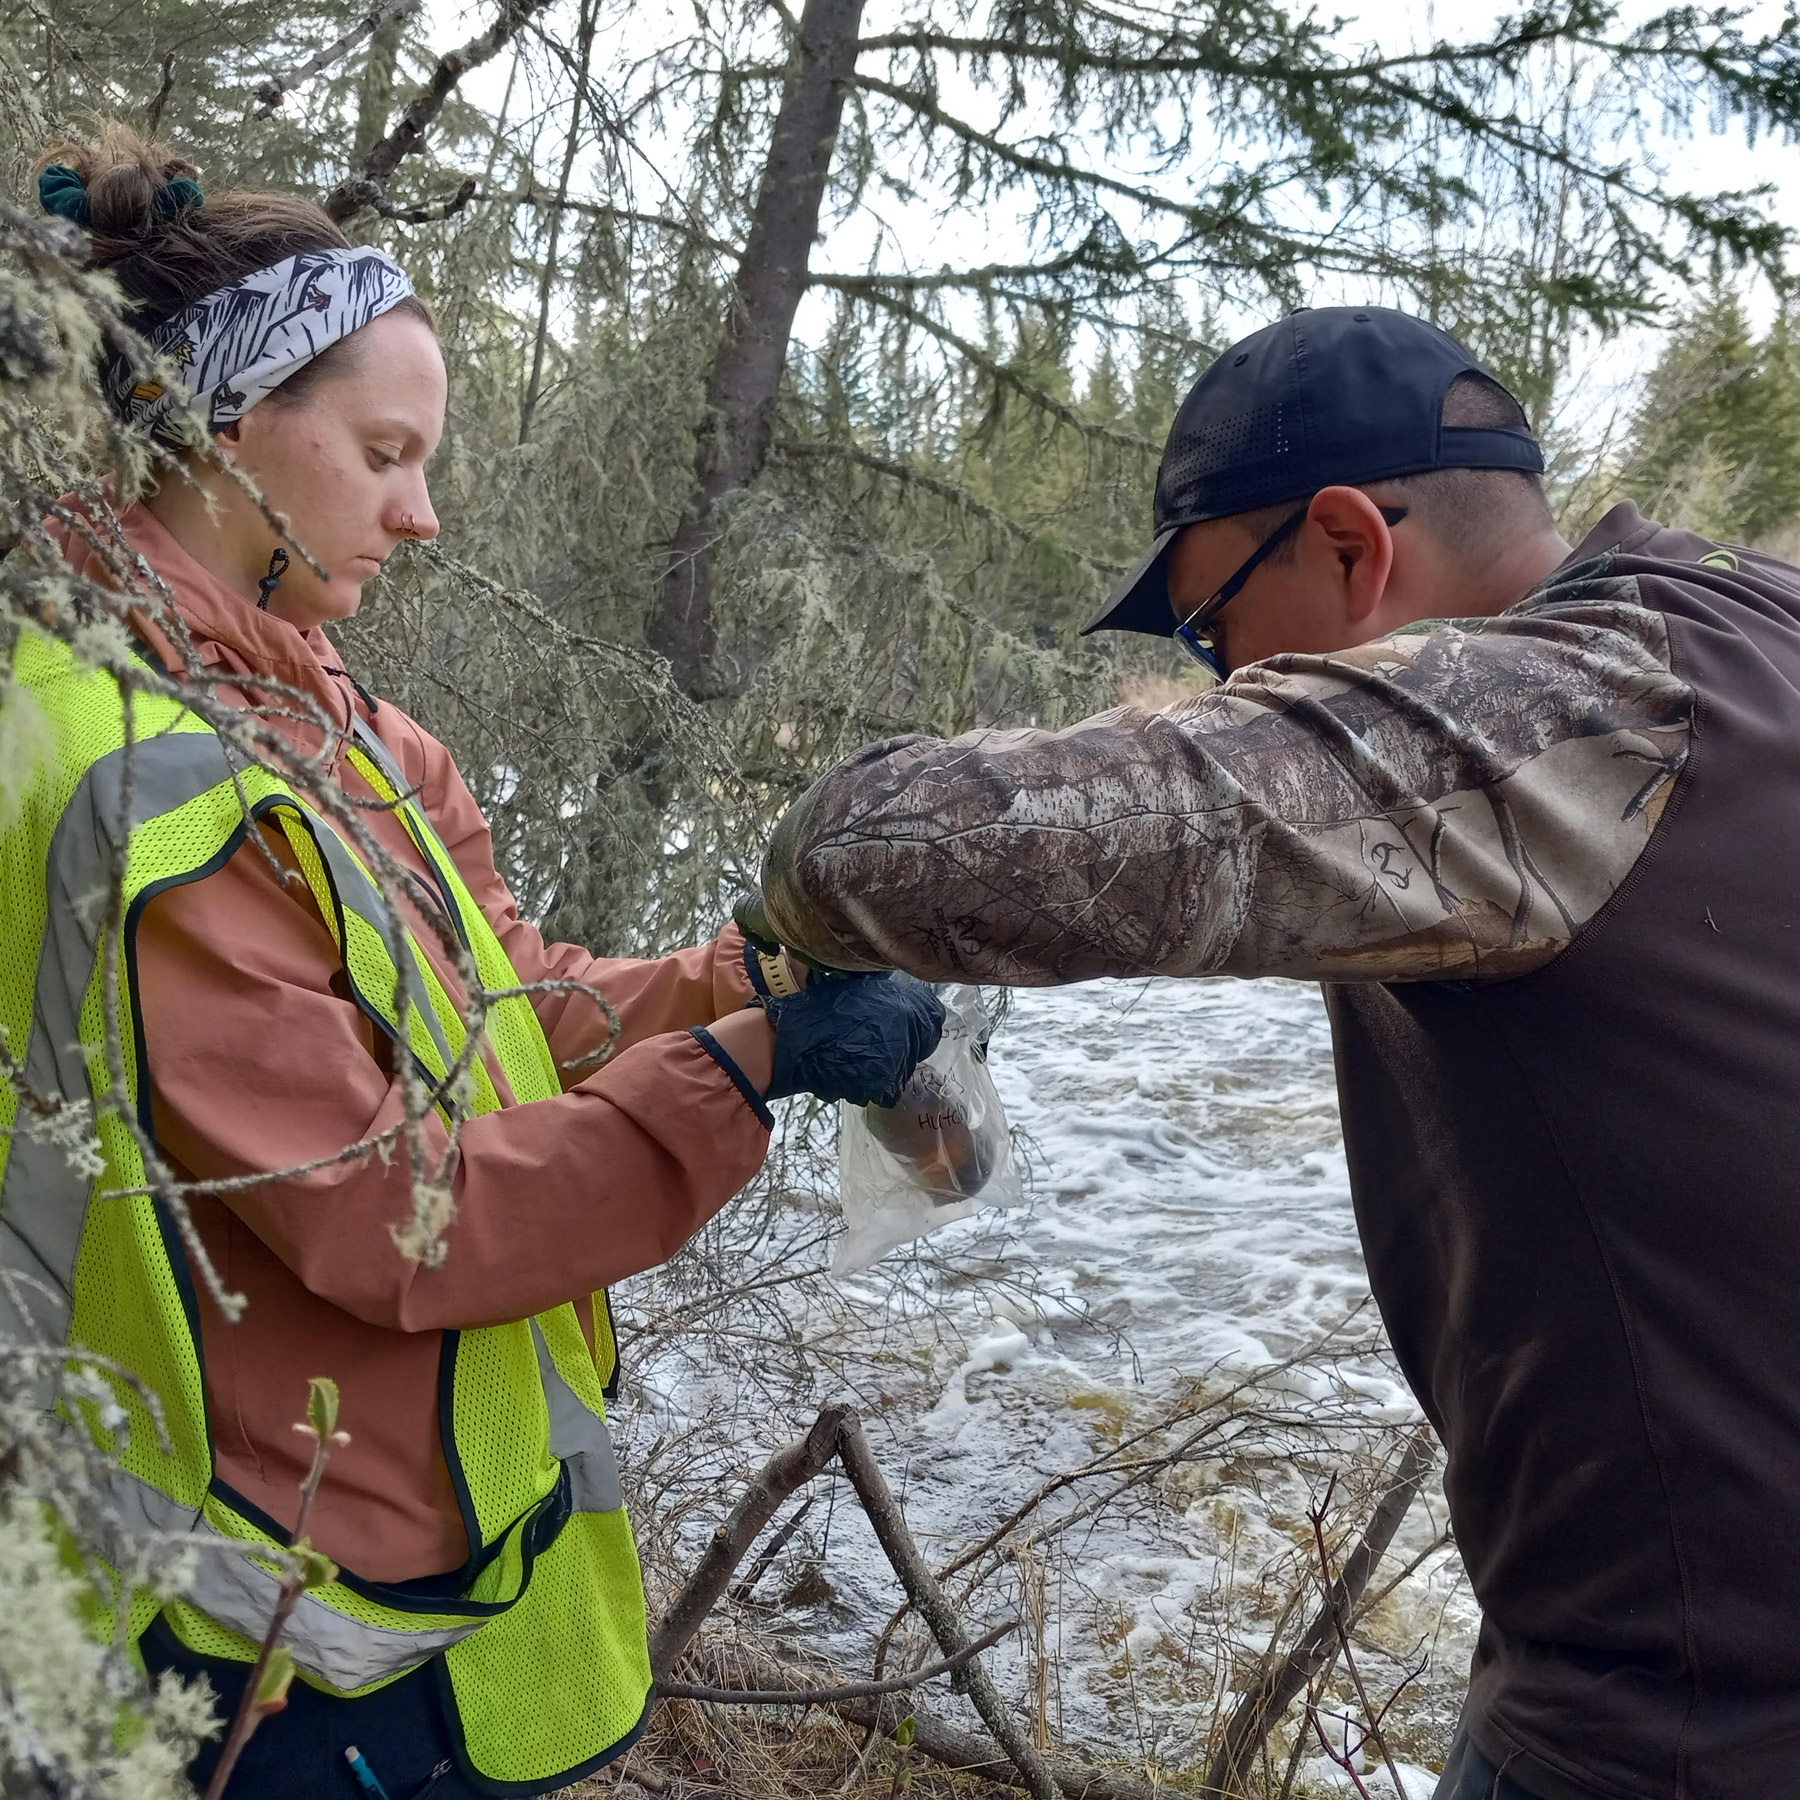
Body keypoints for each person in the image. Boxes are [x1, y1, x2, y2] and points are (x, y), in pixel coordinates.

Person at [4, 127, 941, 1799]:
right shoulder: (135, 776)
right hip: (232, 1641)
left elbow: (512, 1004)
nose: (422, 514)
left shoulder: (335, 729)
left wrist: (745, 978)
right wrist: (753, 1075)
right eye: (382, 451)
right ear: (217, 424)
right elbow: (390, 1209)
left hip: (385, 1595)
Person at [757, 304, 1800, 1800]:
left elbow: (875, 850)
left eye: (1209, 629)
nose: (1217, 678)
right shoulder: (1747, 621)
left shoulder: (1544, 723)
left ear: (1350, 549)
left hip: (1678, 1725)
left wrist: (789, 912)